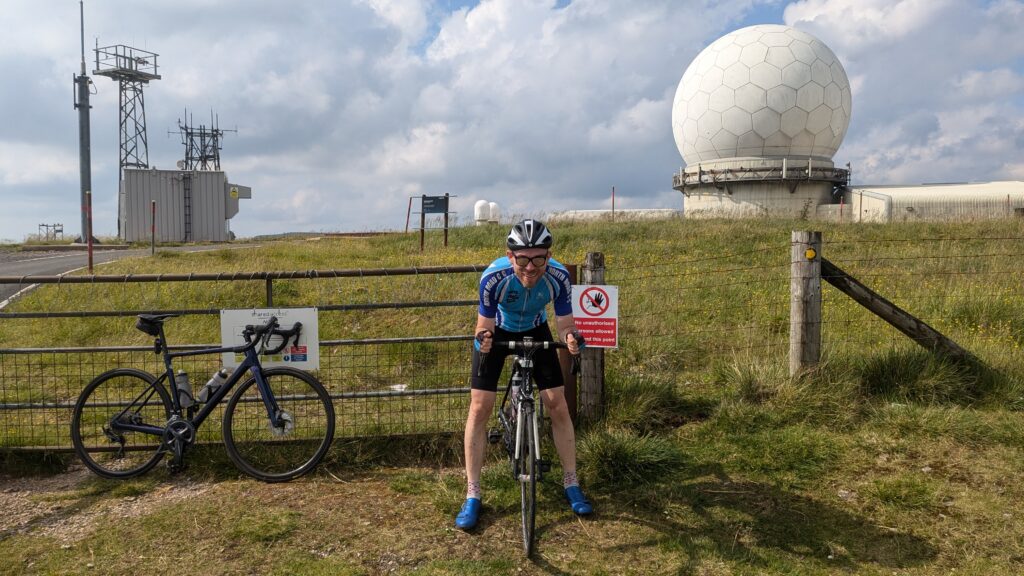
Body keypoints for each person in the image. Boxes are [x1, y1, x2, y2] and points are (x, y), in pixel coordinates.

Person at [455, 218, 593, 530]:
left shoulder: (557, 277)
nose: (530, 268)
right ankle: (473, 493)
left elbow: (566, 324)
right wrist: (484, 341)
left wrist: (572, 339)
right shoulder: (493, 278)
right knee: (479, 407)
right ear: (510, 256)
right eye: (523, 259)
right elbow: (483, 327)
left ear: (548, 255)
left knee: (557, 403)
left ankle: (571, 482)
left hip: (536, 328)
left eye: (539, 258)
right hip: (499, 331)